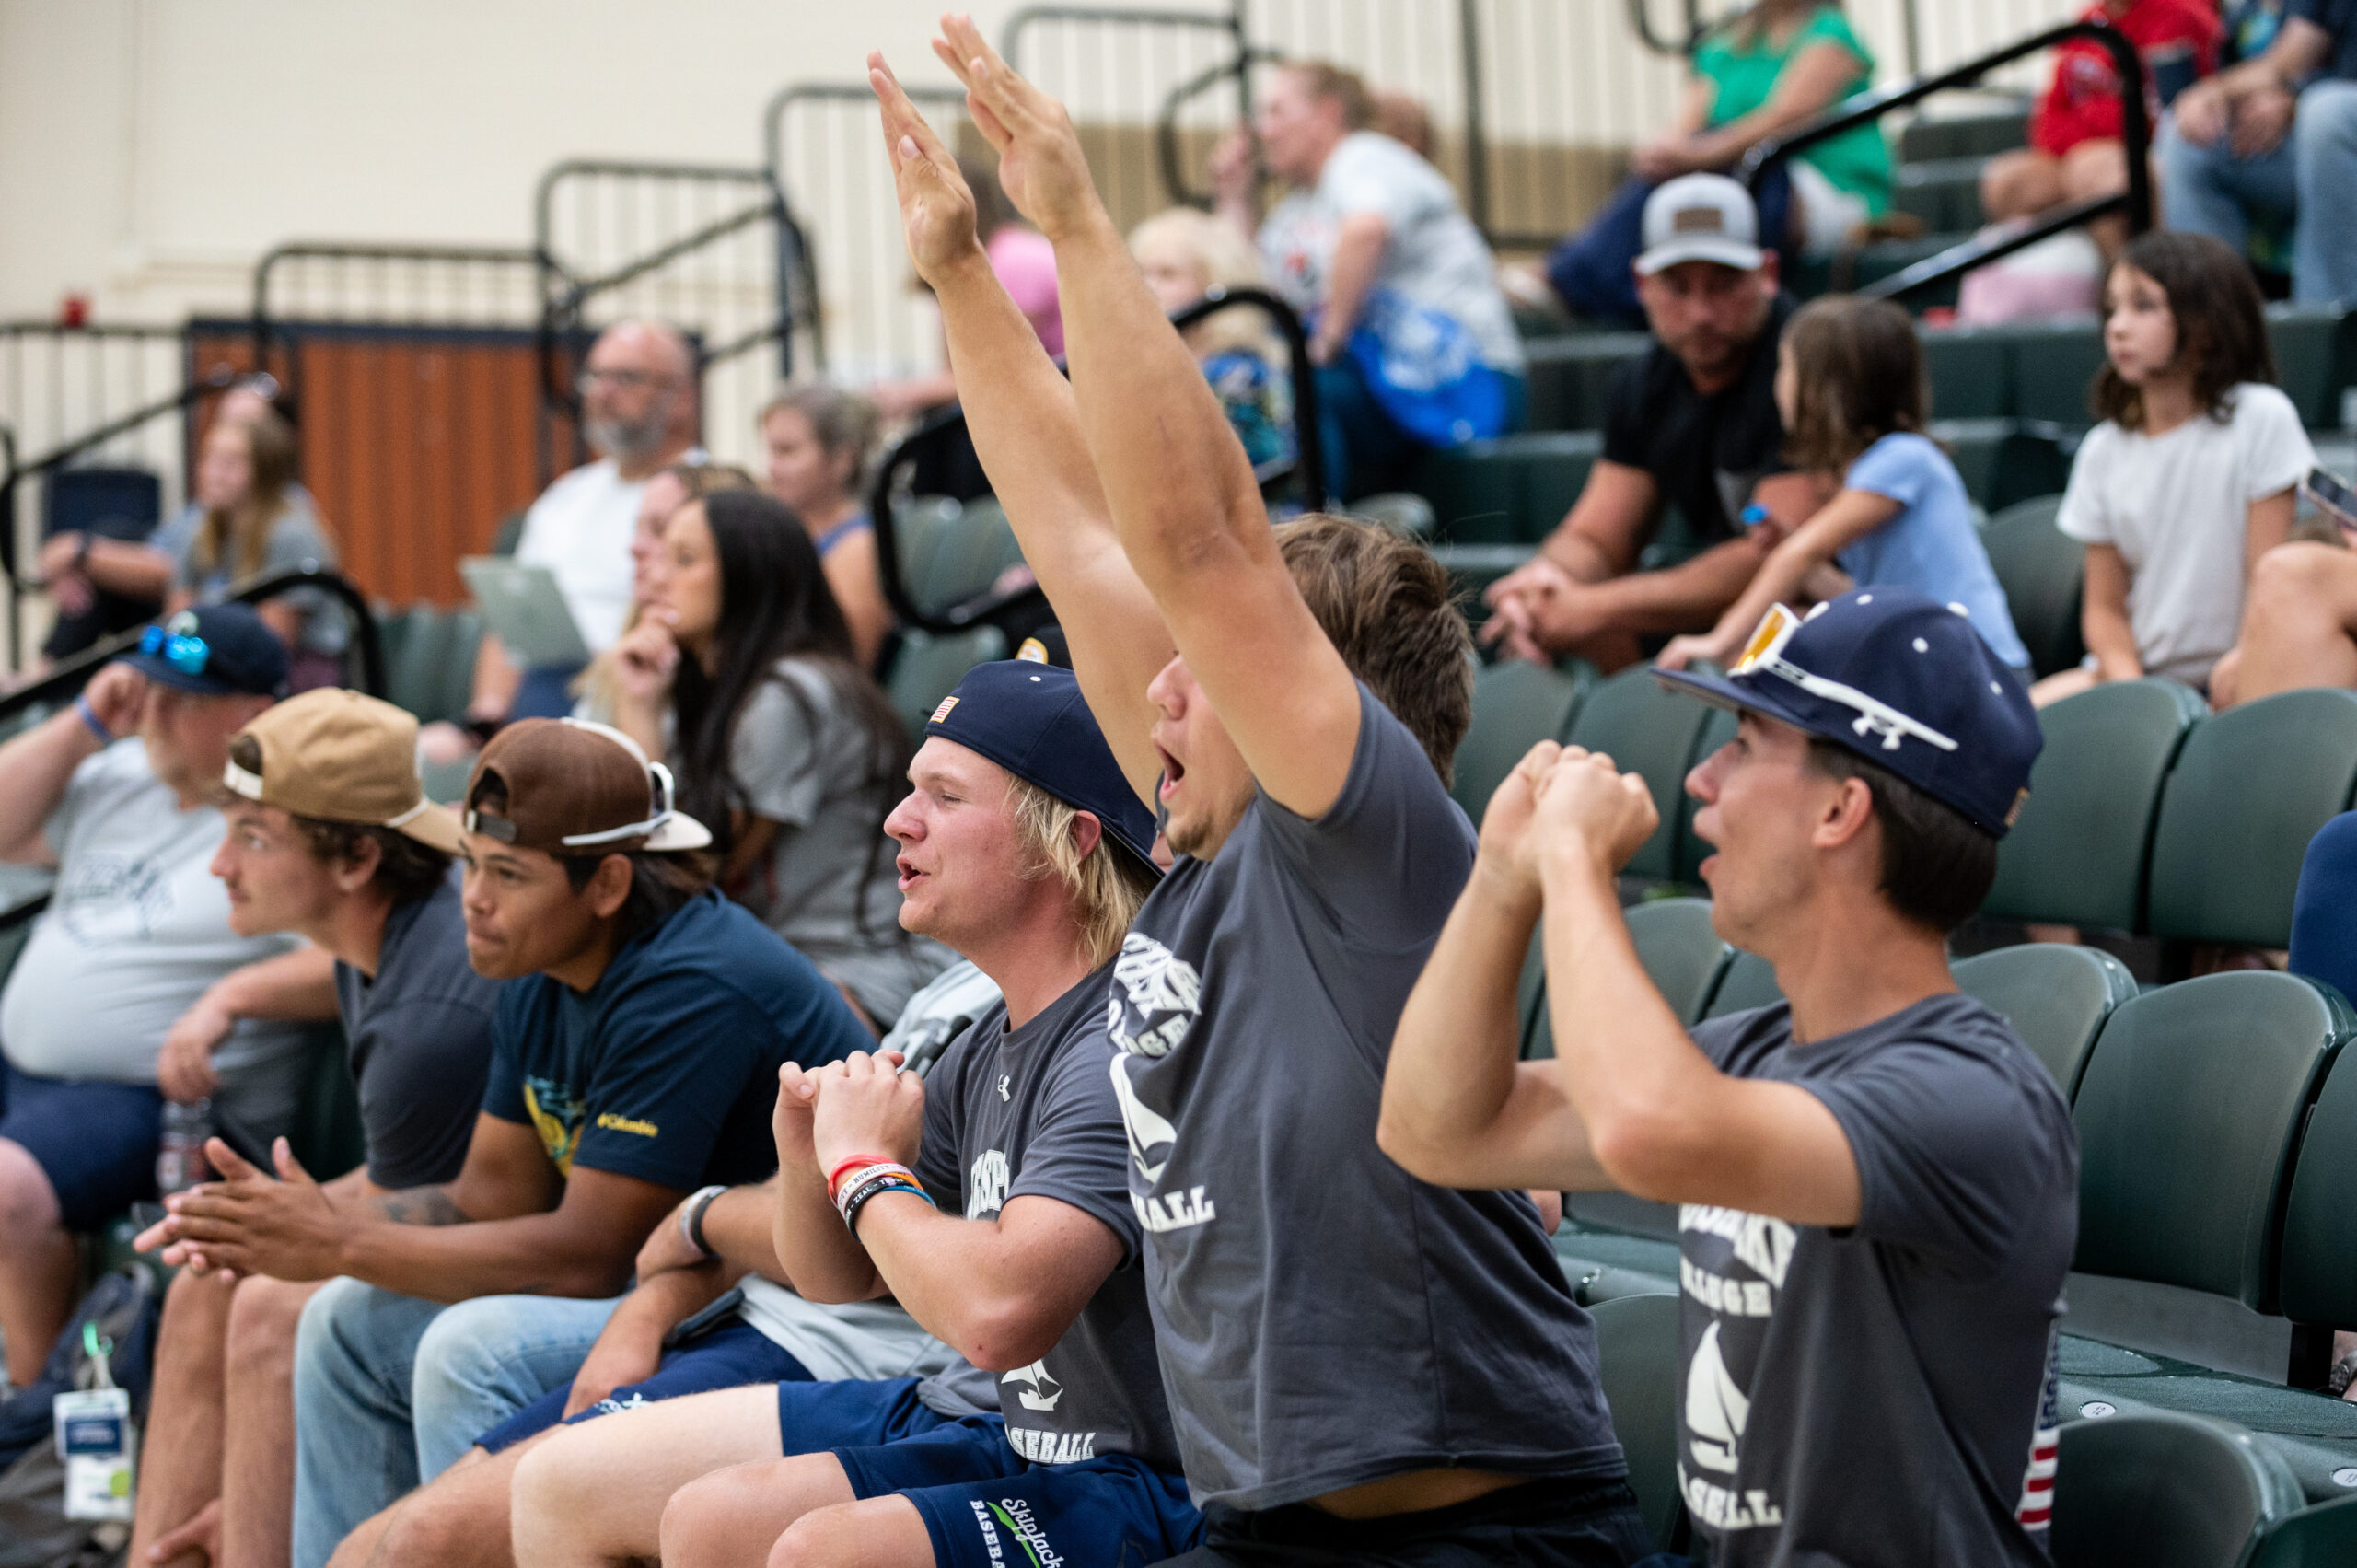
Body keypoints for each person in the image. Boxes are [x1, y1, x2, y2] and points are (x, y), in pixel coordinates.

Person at [872, 31, 1646, 1565]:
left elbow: (1204, 542)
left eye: (1203, 670)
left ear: (1316, 701)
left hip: (1479, 1534)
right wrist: (965, 274)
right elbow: (1083, 541)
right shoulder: (1210, 854)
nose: (1156, 688)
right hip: (1276, 1523)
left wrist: (1082, 229)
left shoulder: (1367, 844)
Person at [1382, 587, 2076, 1564]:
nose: (1701, 779)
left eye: (1745, 743)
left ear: (1841, 808)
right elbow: (1437, 1128)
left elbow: (1645, 1127)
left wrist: (1576, 865)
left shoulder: (1973, 1096)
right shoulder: (1749, 1052)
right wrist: (1501, 880)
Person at [493, 658, 1184, 1568]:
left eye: (943, 794)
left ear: (1069, 838)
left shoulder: (1114, 1045)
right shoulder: (988, 1037)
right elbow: (841, 1275)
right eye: (909, 791)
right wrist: (810, 1157)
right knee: (570, 1482)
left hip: (1133, 1475)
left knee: (822, 1550)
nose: (900, 819)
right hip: (1000, 1424)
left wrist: (863, 1166)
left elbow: (999, 1312)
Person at [141, 716, 873, 1568]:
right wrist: (305, 1224)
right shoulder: (535, 955)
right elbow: (494, 1194)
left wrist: (339, 1238)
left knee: (469, 1344)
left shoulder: (690, 986)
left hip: (774, 1294)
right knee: (343, 1320)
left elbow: (586, 1256)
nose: (474, 899)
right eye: (472, 866)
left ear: (604, 883)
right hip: (666, 1271)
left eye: (509, 874)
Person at [127, 688, 499, 1568]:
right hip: (468, 1215)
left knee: (266, 1303)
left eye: (254, 837)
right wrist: (235, 992)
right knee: (206, 1271)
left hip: (572, 1259)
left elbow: (452, 1214)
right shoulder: (390, 922)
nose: (221, 864)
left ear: (358, 857)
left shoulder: (431, 1015)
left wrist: (268, 1221)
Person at [0, 604, 328, 1391]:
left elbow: (349, 961)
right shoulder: (119, 776)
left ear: (254, 716)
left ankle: (27, 1427)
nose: (151, 710)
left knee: (4, 1186)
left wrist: (234, 995)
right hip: (31, 1072)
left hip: (158, 1099)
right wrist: (82, 722)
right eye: (145, 689)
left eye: (181, 698)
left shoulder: (284, 817)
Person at [609, 487, 946, 1032]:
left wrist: (637, 710)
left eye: (685, 559)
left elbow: (687, 872)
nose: (657, 575)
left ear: (749, 576)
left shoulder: (790, 696)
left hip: (860, 967)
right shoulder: (711, 690)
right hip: (776, 960)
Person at [1484, 176, 1829, 672]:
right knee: (1555, 633)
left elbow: (1777, 555)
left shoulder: (1806, 364)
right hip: (1720, 607)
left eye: (1724, 284)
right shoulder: (1643, 382)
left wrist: (1592, 606)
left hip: (1831, 599)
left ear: (1768, 274)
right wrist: (1544, 584)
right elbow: (1598, 538)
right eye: (1677, 286)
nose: (1701, 312)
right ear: (1642, 285)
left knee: (1768, 637)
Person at [1657, 294, 2030, 673]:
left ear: (1819, 390)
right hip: (1928, 667)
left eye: (1785, 367)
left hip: (1981, 677)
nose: (1778, 382)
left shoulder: (1902, 458)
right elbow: (1860, 598)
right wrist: (1797, 557)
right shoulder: (1870, 470)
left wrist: (1719, 638)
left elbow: (1800, 556)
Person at [1213, 59, 1524, 500]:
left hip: (1467, 381)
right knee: (1249, 384)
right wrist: (1235, 196)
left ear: (1327, 114)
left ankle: (1315, 537)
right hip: (1384, 385)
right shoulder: (1300, 204)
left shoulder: (1366, 157)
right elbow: (1246, 279)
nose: (1263, 130)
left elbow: (1366, 231)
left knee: (1300, 388)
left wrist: (1325, 342)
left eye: (1277, 111)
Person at [2034, 231, 2314, 705]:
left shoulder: (2261, 417)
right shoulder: (2103, 448)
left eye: (2143, 306)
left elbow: (2267, 581)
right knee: (2016, 730)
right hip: (2141, 673)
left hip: (2238, 666)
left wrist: (2245, 661)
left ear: (2205, 325)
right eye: (2112, 308)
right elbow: (2103, 611)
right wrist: (2133, 689)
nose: (2118, 327)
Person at [1544, 0, 1892, 329]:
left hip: (1825, 187)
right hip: (1740, 177)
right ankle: (1586, 281)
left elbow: (1785, 121)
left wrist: (1697, 154)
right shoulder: (1724, 43)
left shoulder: (1831, 33)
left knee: (1743, 165)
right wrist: (1662, 151)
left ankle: (1568, 277)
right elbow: (1686, 129)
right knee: (1677, 174)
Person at [468, 321, 701, 725]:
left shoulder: (706, 493)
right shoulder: (566, 496)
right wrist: (484, 718)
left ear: (681, 398)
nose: (604, 392)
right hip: (541, 695)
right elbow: (508, 622)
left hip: (640, 691)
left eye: (627, 377)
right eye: (595, 376)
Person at [1980, 0, 2221, 254]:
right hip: (2081, 154)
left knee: (2099, 175)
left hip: (2155, 155)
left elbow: (2159, 117)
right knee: (2007, 182)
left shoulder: (2180, 13)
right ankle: (2060, 285)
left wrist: (2085, 124)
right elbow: (2046, 120)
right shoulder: (2088, 20)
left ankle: (2124, 284)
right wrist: (2089, 133)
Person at [2157, 0, 2357, 305]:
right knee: (2185, 133)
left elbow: (2290, 65)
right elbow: (2285, 65)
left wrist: (2293, 95)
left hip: (2333, 124)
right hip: (2307, 142)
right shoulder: (2248, 12)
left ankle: (2326, 327)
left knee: (2325, 113)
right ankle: (2218, 326)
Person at [870, 157, 1063, 424]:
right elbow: (958, 372)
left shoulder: (1014, 261)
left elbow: (1000, 374)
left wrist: (907, 393)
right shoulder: (961, 266)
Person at [569, 459, 762, 726]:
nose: (634, 547)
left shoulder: (766, 690)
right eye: (637, 528)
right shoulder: (632, 646)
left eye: (661, 530)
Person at [164, 408, 347, 688]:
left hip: (298, 675)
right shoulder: (202, 531)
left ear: (265, 470)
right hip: (218, 665)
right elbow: (177, 624)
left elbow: (270, 646)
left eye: (232, 461)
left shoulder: (292, 534)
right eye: (209, 458)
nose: (215, 473)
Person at [1130, 207, 1296, 475]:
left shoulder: (1239, 373)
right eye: (1142, 273)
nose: (1148, 286)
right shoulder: (1153, 363)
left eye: (1168, 274)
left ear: (1216, 281)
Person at [761, 384, 895, 668]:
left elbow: (842, 665)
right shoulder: (791, 533)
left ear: (842, 459)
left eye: (787, 451)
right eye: (771, 451)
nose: (772, 467)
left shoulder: (859, 547)